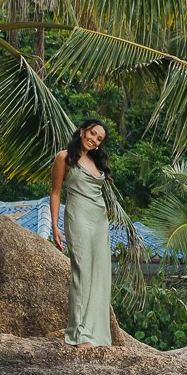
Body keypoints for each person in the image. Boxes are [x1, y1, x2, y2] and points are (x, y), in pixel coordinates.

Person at [48, 119, 123, 349]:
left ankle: (97, 334)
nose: (94, 139)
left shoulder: (96, 162)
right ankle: (79, 333)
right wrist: (55, 225)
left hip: (99, 220)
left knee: (99, 274)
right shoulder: (64, 158)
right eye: (92, 133)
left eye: (99, 138)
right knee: (81, 271)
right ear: (82, 132)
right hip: (77, 215)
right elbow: (55, 192)